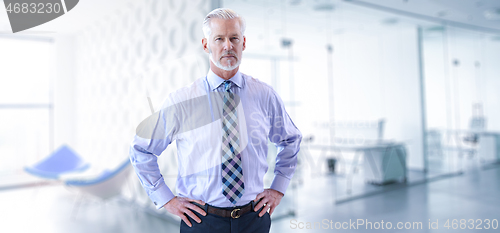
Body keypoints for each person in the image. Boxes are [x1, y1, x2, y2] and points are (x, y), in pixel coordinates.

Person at [129, 8, 301, 233]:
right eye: (219, 38)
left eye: (234, 38)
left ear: (244, 43)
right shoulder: (181, 101)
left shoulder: (264, 95)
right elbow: (141, 150)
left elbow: (290, 139)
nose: (228, 45)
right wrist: (166, 199)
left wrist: (278, 188)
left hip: (254, 220)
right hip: (201, 222)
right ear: (205, 44)